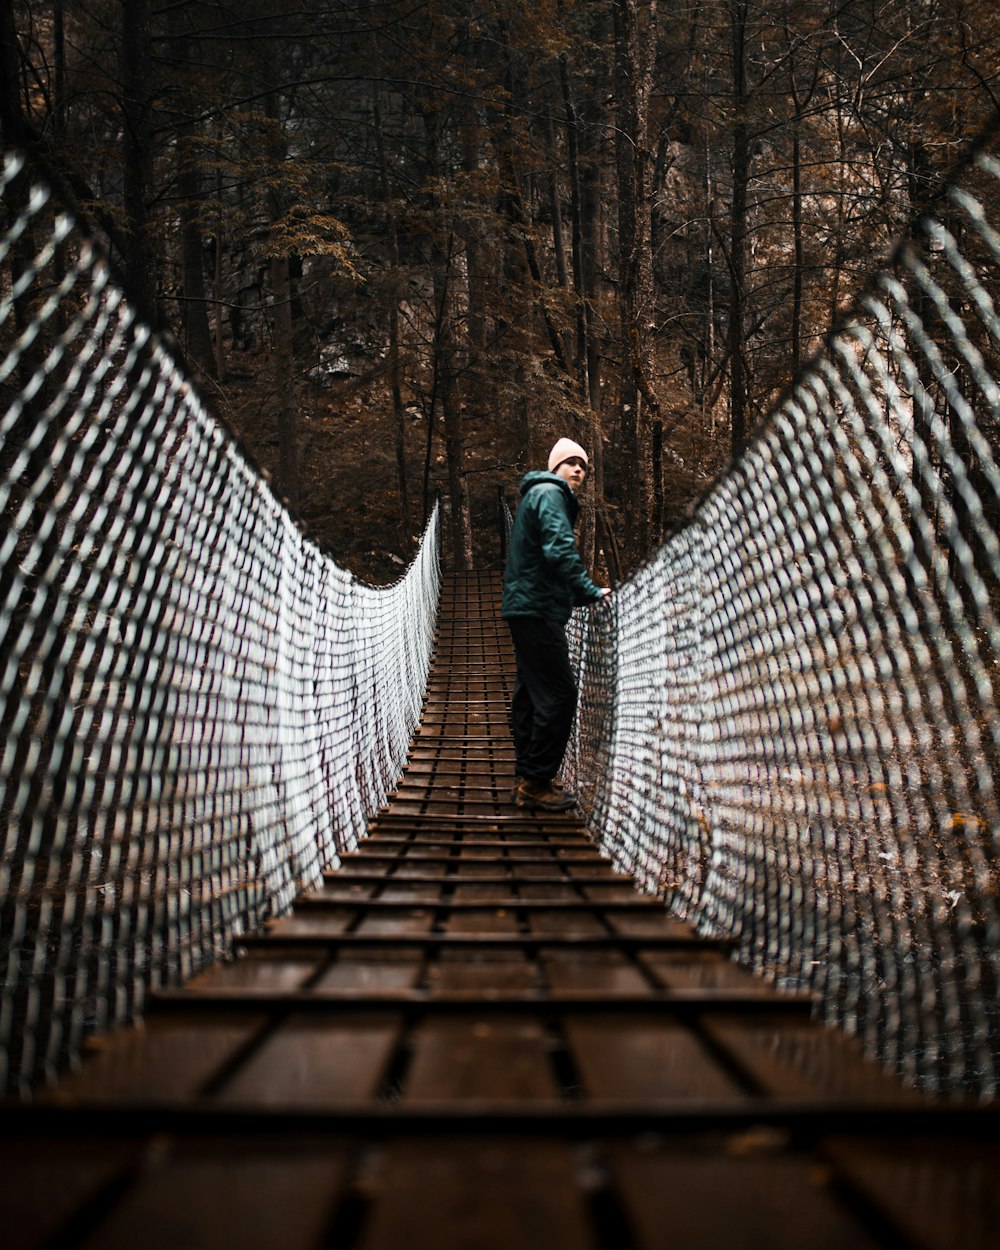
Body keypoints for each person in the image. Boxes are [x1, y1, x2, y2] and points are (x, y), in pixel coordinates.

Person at [501, 437, 610, 812]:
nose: (579, 469)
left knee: (531, 694)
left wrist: (579, 595)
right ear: (555, 468)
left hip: (528, 606)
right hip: (538, 609)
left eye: (583, 465)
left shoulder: (536, 493)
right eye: (571, 463)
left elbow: (547, 560)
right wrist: (589, 590)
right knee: (560, 694)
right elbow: (559, 548)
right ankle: (535, 781)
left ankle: (526, 775)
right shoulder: (550, 492)